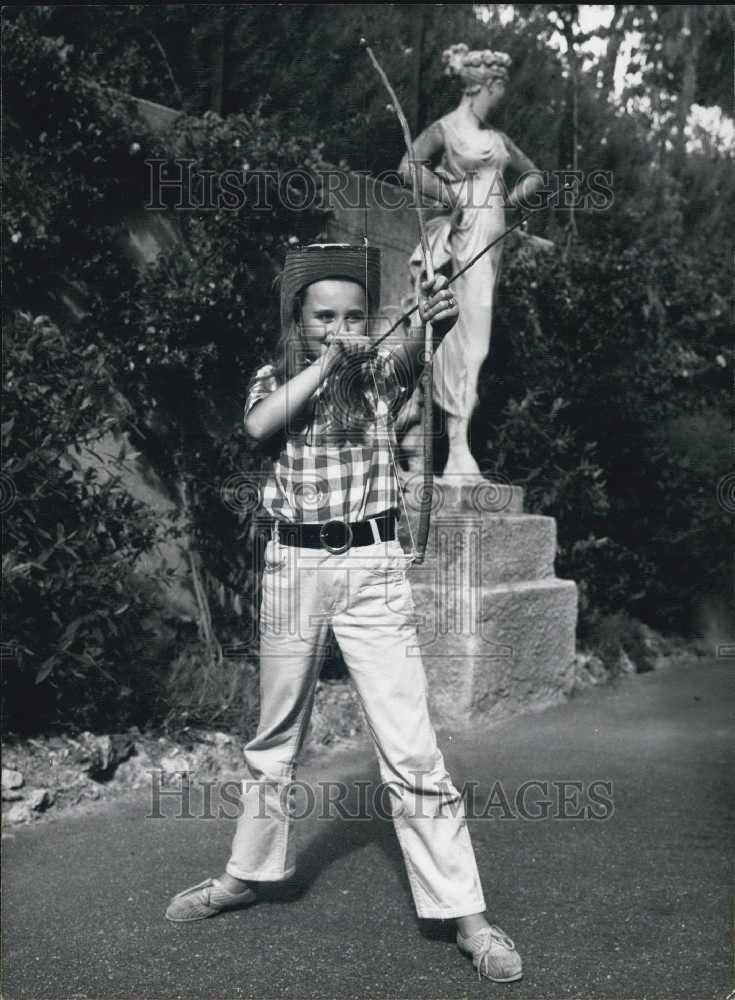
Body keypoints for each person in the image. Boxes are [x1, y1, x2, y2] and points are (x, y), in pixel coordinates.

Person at [164, 242, 523, 984]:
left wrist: (429, 320)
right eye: (324, 316)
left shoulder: (383, 372)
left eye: (354, 315)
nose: (341, 326)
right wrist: (329, 361)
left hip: (370, 568)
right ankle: (245, 874)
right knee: (274, 739)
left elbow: (421, 342)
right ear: (298, 322)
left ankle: (468, 915)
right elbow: (259, 427)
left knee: (412, 748)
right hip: (293, 567)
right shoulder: (279, 376)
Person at [398, 42, 544, 478]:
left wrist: (507, 202)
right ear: (483, 87)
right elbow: (408, 167)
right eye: (500, 91)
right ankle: (457, 450)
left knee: (477, 346)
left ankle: (457, 446)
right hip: (461, 246)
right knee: (464, 343)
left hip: (489, 250)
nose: (502, 100)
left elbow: (534, 175)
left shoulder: (498, 140)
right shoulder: (447, 130)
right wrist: (452, 197)